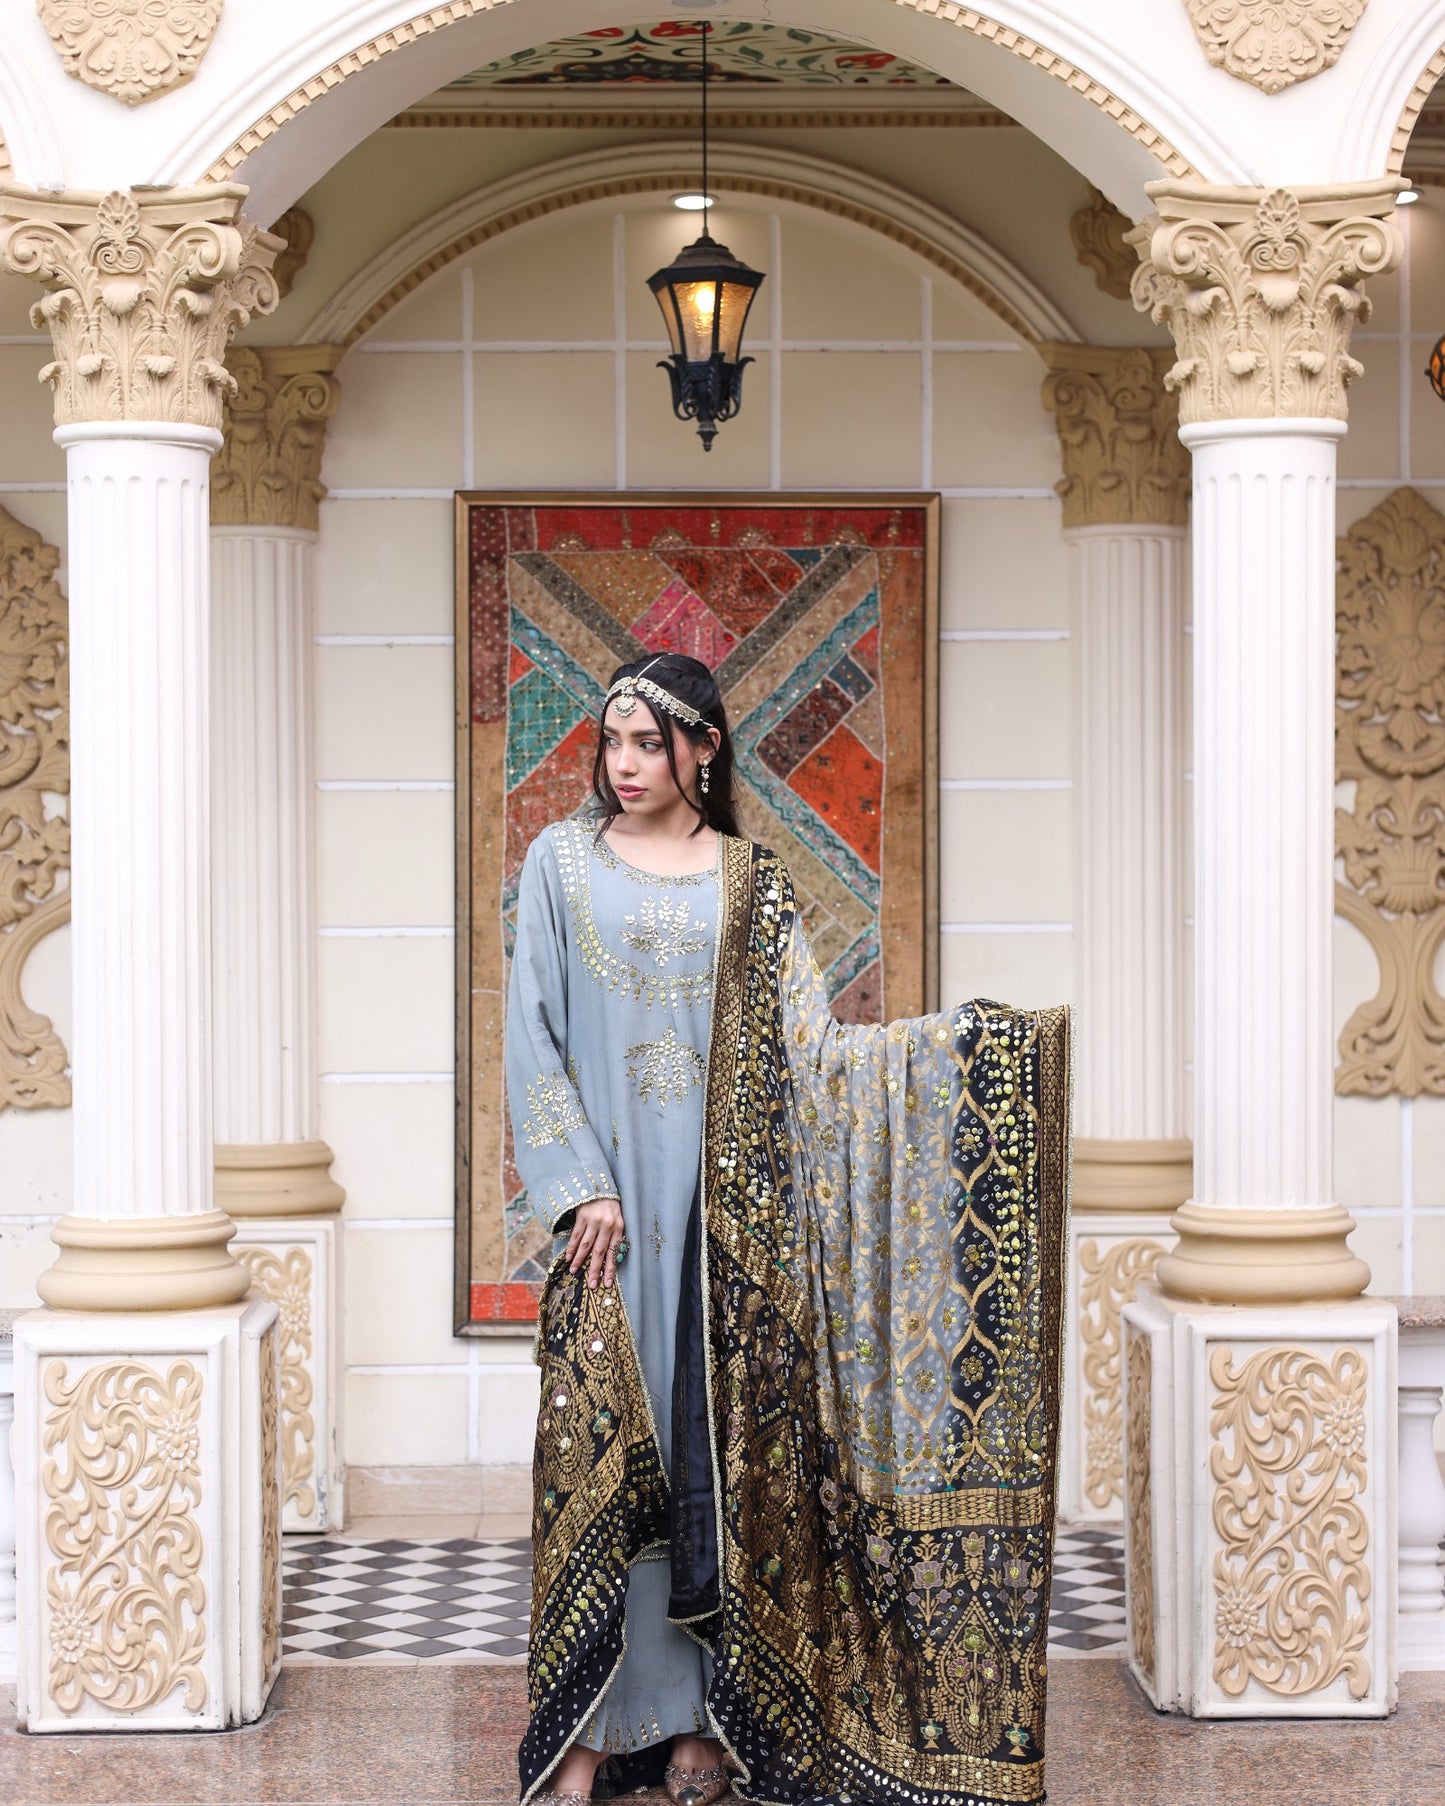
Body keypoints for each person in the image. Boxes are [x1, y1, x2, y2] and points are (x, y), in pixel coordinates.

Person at [507, 653, 1070, 1806]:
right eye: (610, 742)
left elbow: (810, 1056)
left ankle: (704, 1728)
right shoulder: (557, 865)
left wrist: (959, 1061)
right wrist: (581, 1186)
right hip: (607, 1225)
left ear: (701, 751)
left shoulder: (753, 886)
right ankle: (581, 1738)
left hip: (727, 1232)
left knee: (720, 1468)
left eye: (646, 744)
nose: (622, 764)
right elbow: (532, 1034)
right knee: (603, 1464)